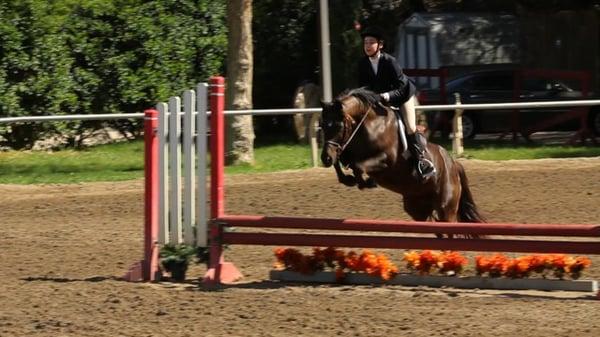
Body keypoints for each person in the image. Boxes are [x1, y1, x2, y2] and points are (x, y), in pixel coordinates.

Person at [358, 26, 436, 181]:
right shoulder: (363, 64)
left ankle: (421, 162)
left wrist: (387, 95)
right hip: (380, 99)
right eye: (365, 42)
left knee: (410, 127)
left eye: (371, 42)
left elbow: (402, 88)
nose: (367, 46)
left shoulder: (390, 61)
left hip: (403, 96)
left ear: (380, 45)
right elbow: (364, 88)